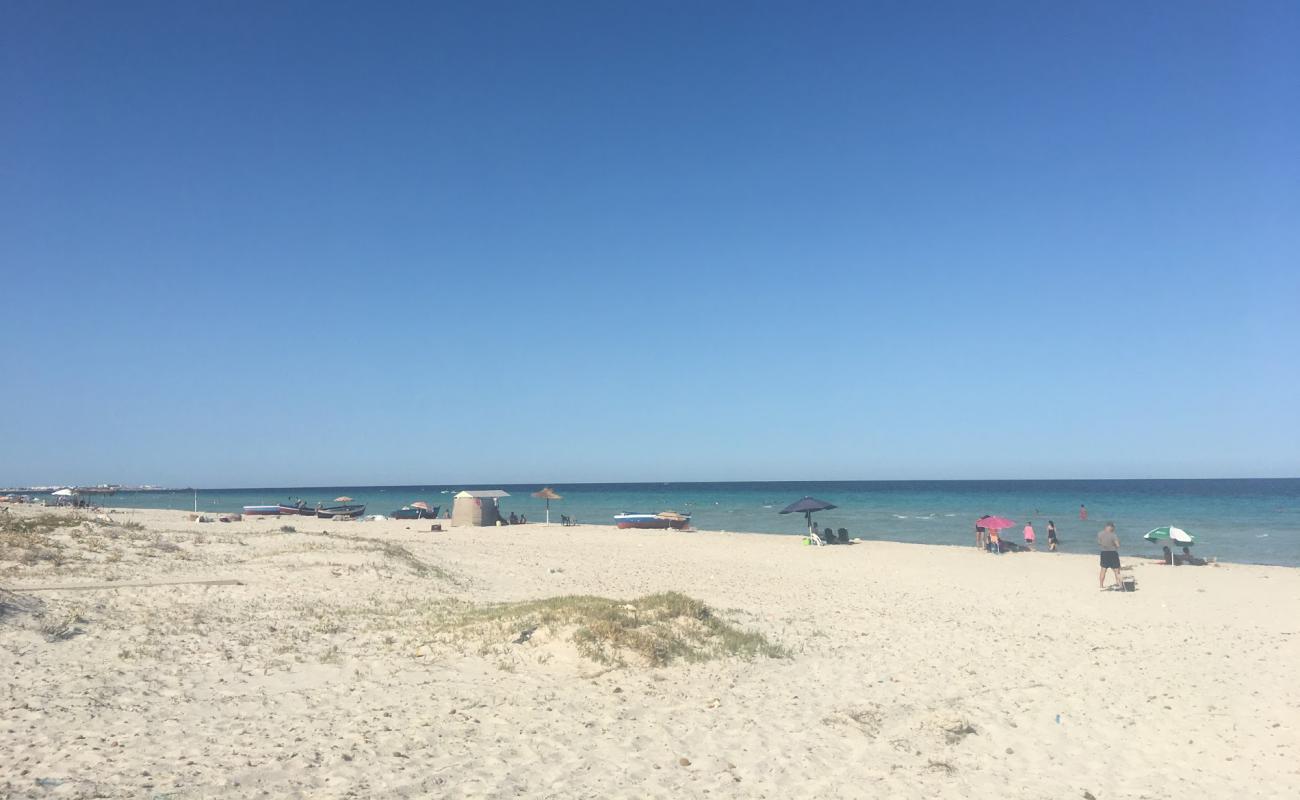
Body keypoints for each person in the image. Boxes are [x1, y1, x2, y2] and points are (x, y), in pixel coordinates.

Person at [1097, 522, 1122, 589]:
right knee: (1117, 570)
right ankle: (1118, 584)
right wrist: (1117, 544)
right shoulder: (1113, 535)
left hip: (1104, 553)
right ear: (1111, 528)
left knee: (1103, 570)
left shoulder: (1100, 534)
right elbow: (1118, 545)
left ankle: (1101, 585)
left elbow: (1099, 543)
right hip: (1113, 553)